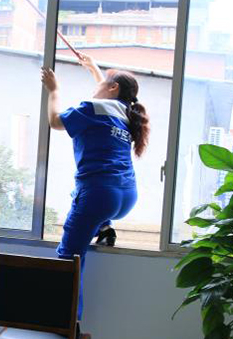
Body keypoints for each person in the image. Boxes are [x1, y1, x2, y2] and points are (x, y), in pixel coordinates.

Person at [40, 53, 150, 319]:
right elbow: (107, 94)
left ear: (113, 88)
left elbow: (55, 121)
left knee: (69, 257)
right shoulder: (127, 114)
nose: (95, 87)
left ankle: (69, 323)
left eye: (102, 82)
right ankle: (105, 227)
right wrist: (94, 69)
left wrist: (54, 90)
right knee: (77, 194)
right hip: (125, 195)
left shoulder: (92, 108)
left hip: (100, 195)